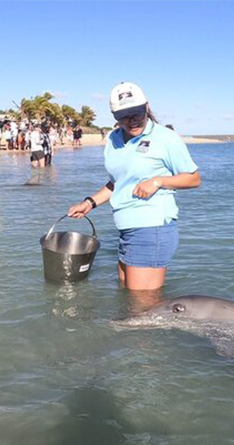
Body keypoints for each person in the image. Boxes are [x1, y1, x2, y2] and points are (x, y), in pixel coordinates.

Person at [67, 82, 201, 299]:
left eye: (136, 113)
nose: (132, 120)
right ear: (114, 116)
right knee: (128, 299)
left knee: (142, 307)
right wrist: (89, 203)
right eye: (124, 116)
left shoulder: (165, 138)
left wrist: (157, 181)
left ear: (146, 107)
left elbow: (194, 179)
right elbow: (117, 183)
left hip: (152, 228)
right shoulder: (113, 139)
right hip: (127, 230)